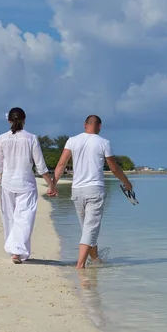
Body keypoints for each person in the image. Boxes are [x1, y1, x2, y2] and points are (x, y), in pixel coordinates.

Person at [54, 114, 133, 269]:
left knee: (88, 228)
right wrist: (127, 183)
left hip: (77, 190)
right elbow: (114, 168)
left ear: (85, 125)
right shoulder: (104, 142)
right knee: (90, 228)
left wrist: (52, 185)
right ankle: (80, 265)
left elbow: (61, 164)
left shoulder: (72, 140)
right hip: (94, 189)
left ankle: (95, 260)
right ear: (100, 127)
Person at [0, 107, 57, 264]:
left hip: (7, 184)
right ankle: (17, 251)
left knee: (9, 218)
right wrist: (51, 185)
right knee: (24, 219)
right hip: (26, 184)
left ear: (9, 121)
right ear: (24, 120)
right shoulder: (31, 138)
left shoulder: (2, 138)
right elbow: (40, 166)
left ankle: (16, 250)